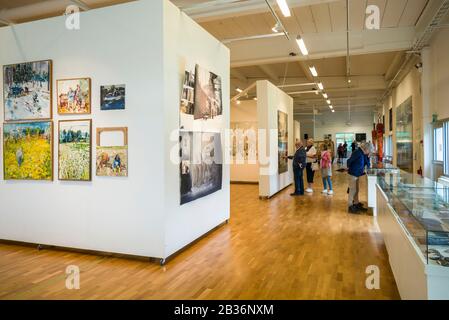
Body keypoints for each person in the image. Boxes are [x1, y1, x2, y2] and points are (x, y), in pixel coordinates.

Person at [347, 142, 372, 214]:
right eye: (369, 150)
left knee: (356, 190)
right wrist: (350, 169)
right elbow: (349, 161)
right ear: (366, 148)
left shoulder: (362, 153)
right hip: (353, 174)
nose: (369, 152)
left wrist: (368, 157)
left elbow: (366, 163)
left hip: (357, 174)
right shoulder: (357, 152)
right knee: (352, 190)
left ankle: (356, 203)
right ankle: (350, 206)